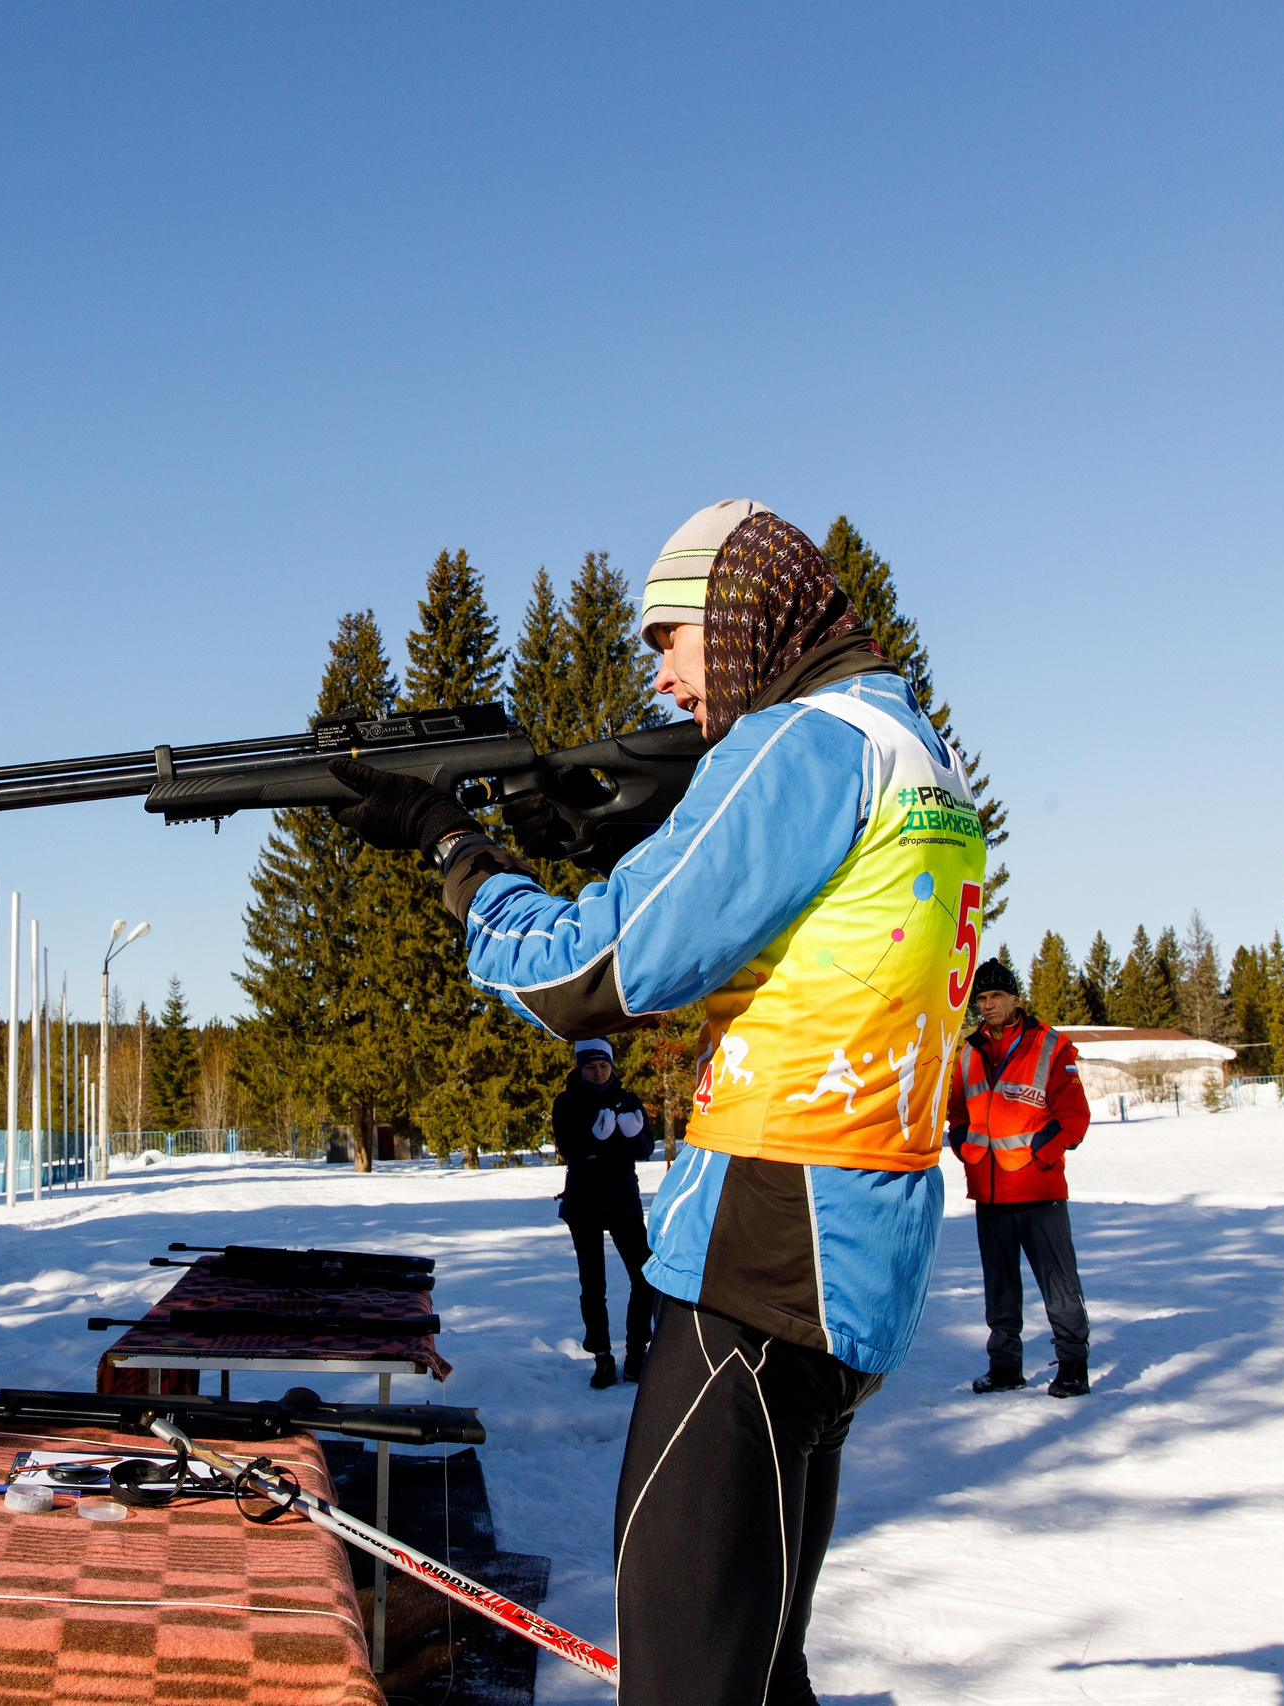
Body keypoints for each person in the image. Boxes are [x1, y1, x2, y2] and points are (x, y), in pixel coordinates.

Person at [326, 499, 987, 1706]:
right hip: (853, 1257)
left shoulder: (803, 741)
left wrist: (452, 847)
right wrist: (600, 830)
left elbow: (592, 973)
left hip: (762, 1253)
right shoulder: (908, 743)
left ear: (740, 616)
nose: (665, 674)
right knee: (756, 1673)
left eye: (672, 637)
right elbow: (778, 920)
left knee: (685, 1680)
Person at [945, 956, 1093, 1397]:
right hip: (989, 1193)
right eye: (981, 998)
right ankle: (1005, 1367)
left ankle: (1073, 1366)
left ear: (1015, 998)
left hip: (1037, 1191)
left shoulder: (1050, 1046)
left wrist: (1041, 1154)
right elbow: (957, 1111)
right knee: (1000, 1291)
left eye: (996, 996)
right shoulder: (969, 1051)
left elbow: (1074, 1116)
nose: (988, 1005)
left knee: (1059, 1286)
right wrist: (962, 1142)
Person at [552, 1037, 656, 1389]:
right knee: (593, 1283)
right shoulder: (567, 1101)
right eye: (591, 1067)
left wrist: (633, 1136)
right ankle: (602, 1357)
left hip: (623, 1199)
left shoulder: (628, 1100)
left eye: (604, 1066)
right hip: (584, 1202)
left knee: (644, 1276)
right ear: (580, 1068)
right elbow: (568, 1147)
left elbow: (645, 1148)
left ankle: (637, 1352)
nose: (598, 1073)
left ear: (612, 1066)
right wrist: (595, 1140)